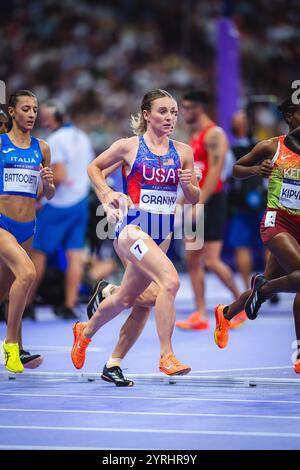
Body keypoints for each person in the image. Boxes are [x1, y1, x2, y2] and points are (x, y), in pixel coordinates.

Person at [71, 89, 200, 378]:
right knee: (170, 282)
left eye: (174, 112)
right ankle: (167, 355)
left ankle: (86, 331)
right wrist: (106, 193)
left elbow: (193, 198)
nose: (170, 117)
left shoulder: (183, 152)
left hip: (163, 233)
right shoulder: (129, 146)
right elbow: (94, 167)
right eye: (163, 111)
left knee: (131, 300)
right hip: (133, 229)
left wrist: (190, 185)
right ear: (146, 114)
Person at [214, 96, 300, 373]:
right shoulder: (271, 146)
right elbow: (235, 170)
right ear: (290, 117)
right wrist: (255, 170)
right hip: (278, 221)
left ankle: (226, 314)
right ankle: (264, 292)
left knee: (291, 279)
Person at [175, 90, 246, 331]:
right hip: (197, 201)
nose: (182, 113)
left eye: (185, 108)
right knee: (192, 259)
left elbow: (215, 173)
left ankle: (243, 305)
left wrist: (200, 204)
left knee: (212, 260)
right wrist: (182, 203)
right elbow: (195, 175)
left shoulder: (214, 134)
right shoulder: (194, 136)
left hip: (212, 201)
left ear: (198, 109)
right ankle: (199, 312)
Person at [0, 89, 55, 373]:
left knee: (8, 290)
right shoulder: (0, 144)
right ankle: (10, 344)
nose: (32, 114)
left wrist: (48, 184)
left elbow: (49, 195)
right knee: (28, 273)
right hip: (1, 224)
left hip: (27, 227)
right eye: (25, 109)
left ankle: (19, 350)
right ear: (12, 112)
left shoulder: (42, 148)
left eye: (35, 109)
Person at [27, 100, 93, 319]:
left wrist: (36, 197)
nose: (41, 119)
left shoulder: (54, 140)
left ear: (54, 118)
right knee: (74, 253)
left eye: (44, 116)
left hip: (56, 204)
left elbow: (60, 175)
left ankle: (25, 305)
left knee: (38, 252)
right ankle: (69, 303)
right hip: (80, 202)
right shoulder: (82, 137)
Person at [227, 110, 266, 289]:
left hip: (251, 204)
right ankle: (261, 287)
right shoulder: (263, 146)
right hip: (249, 204)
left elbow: (226, 175)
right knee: (266, 245)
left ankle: (257, 287)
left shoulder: (232, 151)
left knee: (266, 245)